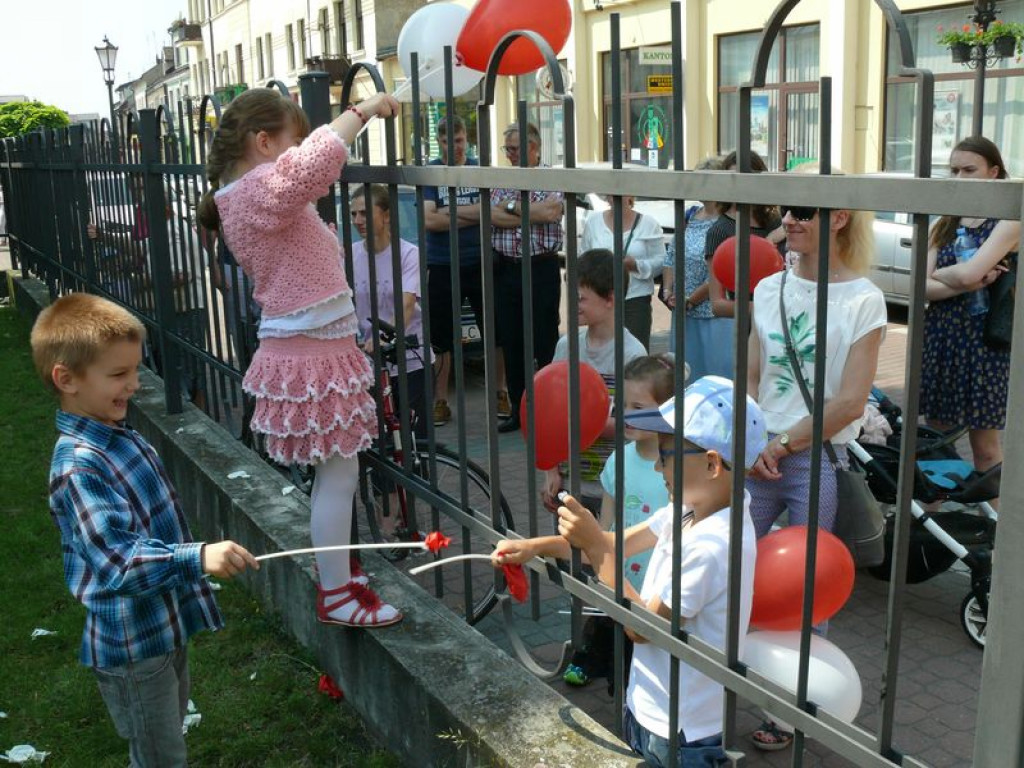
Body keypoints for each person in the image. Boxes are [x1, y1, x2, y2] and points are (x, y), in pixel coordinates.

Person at [198, 88, 403, 627]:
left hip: (313, 340)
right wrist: (364, 109)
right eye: (288, 141)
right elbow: (314, 163)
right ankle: (335, 592)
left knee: (340, 472)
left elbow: (304, 173)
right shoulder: (252, 191)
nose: (295, 150)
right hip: (308, 344)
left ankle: (338, 576)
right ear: (262, 143)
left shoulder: (245, 193)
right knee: (337, 475)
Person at [31, 292, 259, 767]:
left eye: (135, 370)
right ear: (66, 379)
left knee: (167, 740)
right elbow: (118, 561)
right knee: (159, 758)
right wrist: (196, 558)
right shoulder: (78, 468)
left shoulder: (117, 433)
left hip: (162, 630)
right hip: (132, 649)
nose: (134, 384)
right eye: (118, 375)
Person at [493, 376, 767, 768]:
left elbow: (643, 630)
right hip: (648, 706)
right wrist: (533, 547)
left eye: (667, 455)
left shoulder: (716, 544)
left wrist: (593, 544)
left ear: (710, 464)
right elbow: (612, 545)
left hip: (681, 729)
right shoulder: (690, 508)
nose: (657, 466)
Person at [745, 166, 886, 751]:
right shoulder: (768, 287)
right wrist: (751, 440)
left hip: (812, 455)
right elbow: (751, 374)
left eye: (804, 212)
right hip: (755, 456)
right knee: (730, 562)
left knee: (807, 584)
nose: (791, 221)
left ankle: (792, 704)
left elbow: (851, 399)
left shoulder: (864, 300)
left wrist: (784, 443)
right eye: (787, 211)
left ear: (840, 217)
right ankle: (719, 666)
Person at [562, 354, 675, 689]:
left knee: (644, 662)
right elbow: (605, 524)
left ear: (667, 410)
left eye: (638, 406)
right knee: (610, 641)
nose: (625, 413)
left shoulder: (677, 468)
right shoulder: (618, 459)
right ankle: (590, 660)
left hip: (655, 589)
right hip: (618, 576)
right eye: (623, 403)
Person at [921, 136, 1019, 479]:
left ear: (993, 172)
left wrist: (946, 277)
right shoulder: (943, 222)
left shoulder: (1008, 220)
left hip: (985, 343)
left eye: (969, 170)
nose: (960, 177)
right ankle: (931, 521)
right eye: (954, 170)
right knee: (936, 438)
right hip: (943, 337)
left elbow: (972, 273)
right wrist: (960, 279)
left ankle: (997, 526)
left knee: (985, 446)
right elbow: (920, 285)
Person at [542, 248, 647, 514]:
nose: (573, 305)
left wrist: (585, 423)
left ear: (610, 298)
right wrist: (550, 469)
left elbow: (635, 422)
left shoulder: (632, 353)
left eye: (581, 298)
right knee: (567, 553)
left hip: (612, 484)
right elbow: (548, 413)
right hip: (569, 480)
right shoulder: (567, 347)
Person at [422, 114, 510, 426]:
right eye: (446, 141)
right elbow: (429, 221)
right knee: (441, 338)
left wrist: (450, 213)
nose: (452, 147)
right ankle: (440, 400)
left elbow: (493, 213)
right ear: (439, 142)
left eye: (457, 140)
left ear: (466, 139)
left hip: (480, 261)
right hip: (442, 264)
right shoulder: (432, 172)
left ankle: (501, 392)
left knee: (495, 331)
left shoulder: (478, 168)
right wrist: (474, 214)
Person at [491, 122, 565, 433]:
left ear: (534, 148)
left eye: (515, 149)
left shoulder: (552, 177)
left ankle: (547, 410)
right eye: (506, 149)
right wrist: (526, 209)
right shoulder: (501, 178)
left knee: (545, 340)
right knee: (512, 341)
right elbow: (492, 215)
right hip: (506, 268)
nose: (509, 154)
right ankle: (519, 410)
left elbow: (551, 213)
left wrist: (511, 208)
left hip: (541, 267)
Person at [350, 184, 428, 441]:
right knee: (380, 440)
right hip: (369, 362)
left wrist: (385, 338)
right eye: (353, 215)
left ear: (385, 216)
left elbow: (406, 305)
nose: (357, 220)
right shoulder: (350, 255)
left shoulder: (408, 254)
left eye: (364, 213)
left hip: (408, 357)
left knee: (413, 441)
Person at [703, 150, 784, 377]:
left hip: (786, 330)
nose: (740, 186)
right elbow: (717, 304)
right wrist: (769, 308)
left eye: (747, 177)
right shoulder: (719, 231)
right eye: (733, 178)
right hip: (749, 331)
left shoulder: (777, 222)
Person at [661, 156, 732, 379]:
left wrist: (691, 300)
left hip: (712, 315)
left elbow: (721, 272)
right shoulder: (690, 214)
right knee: (684, 376)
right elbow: (672, 254)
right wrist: (667, 291)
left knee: (715, 376)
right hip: (683, 313)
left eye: (704, 180)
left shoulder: (727, 223)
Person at [580, 194, 665, 349]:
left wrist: (636, 265)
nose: (614, 196)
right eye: (610, 193)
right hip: (600, 297)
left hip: (635, 299)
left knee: (633, 353)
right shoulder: (593, 222)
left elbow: (662, 261)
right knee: (600, 349)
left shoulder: (648, 224)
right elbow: (583, 258)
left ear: (630, 195)